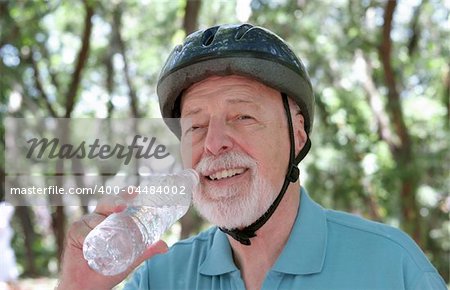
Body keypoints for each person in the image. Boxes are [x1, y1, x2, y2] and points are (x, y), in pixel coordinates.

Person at [57, 24, 446, 290]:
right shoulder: (159, 277)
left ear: (297, 134)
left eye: (242, 116)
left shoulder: (389, 266)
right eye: (195, 126)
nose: (213, 144)